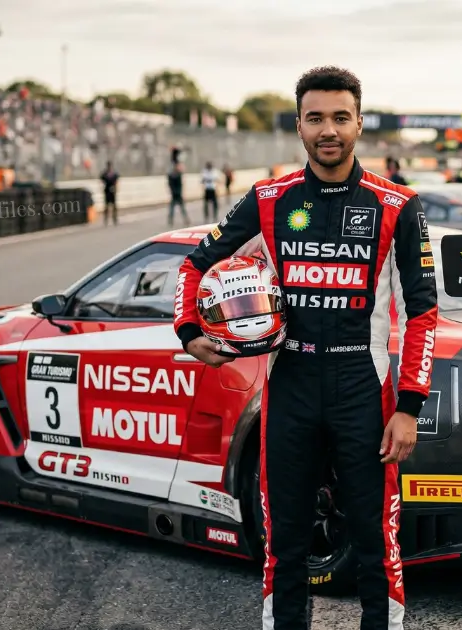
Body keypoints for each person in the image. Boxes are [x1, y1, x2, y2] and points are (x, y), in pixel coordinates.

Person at [172, 65, 435, 630]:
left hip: (363, 392)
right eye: (316, 118)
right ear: (299, 125)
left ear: (360, 123)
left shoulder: (399, 206)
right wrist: (190, 333)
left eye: (341, 117)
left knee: (375, 540)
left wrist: (409, 407)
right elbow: (195, 264)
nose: (329, 130)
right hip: (287, 388)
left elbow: (424, 313)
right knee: (283, 541)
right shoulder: (269, 198)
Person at [167, 161, 189, 226]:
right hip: (178, 194)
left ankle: (171, 220)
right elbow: (180, 184)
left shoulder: (171, 175)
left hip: (174, 194)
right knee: (182, 208)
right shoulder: (178, 175)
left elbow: (169, 184)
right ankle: (186, 219)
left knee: (172, 208)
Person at [100, 161, 119, 225]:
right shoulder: (105, 174)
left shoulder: (114, 174)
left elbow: (117, 182)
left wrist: (116, 188)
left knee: (114, 206)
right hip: (107, 191)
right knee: (106, 206)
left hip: (113, 191)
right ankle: (106, 219)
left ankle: (115, 218)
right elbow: (101, 181)